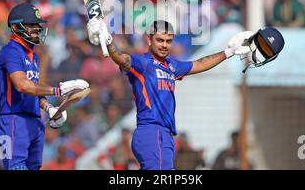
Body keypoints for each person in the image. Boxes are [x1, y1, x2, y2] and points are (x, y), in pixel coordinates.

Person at [87, 19, 284, 170]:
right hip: (150, 131)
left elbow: (200, 64)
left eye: (168, 41)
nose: (164, 45)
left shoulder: (172, 66)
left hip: (166, 135)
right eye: (160, 40)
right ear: (149, 39)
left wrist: (229, 51)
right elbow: (120, 58)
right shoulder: (142, 63)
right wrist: (108, 41)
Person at [0, 3, 89, 170]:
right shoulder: (10, 52)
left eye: (38, 25)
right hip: (13, 120)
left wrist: (49, 107)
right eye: (32, 25)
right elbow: (22, 85)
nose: (37, 29)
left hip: (34, 120)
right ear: (16, 27)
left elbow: (34, 90)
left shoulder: (33, 56)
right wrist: (58, 90)